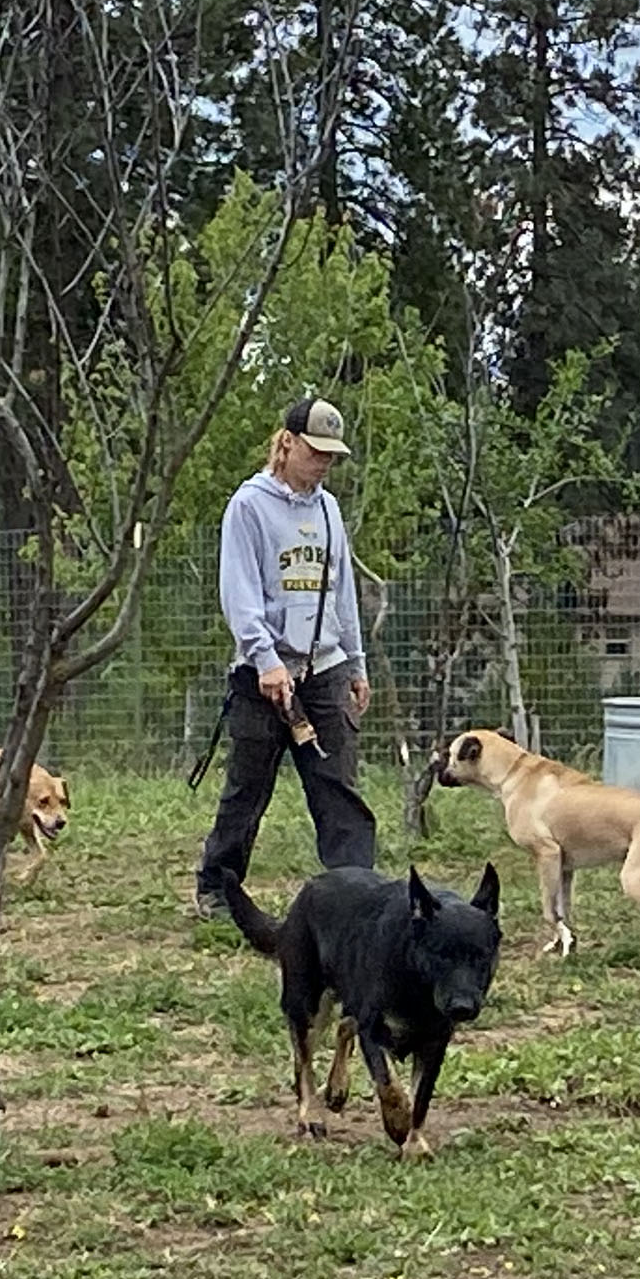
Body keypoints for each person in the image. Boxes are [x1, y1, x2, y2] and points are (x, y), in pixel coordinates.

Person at [193, 395, 380, 921]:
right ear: (288, 443)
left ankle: (356, 893)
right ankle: (217, 887)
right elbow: (239, 593)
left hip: (325, 668)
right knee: (248, 788)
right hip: (263, 672)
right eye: (315, 451)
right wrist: (265, 658)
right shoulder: (249, 506)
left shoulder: (329, 509)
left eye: (331, 456)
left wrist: (356, 662)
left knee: (337, 786)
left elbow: (343, 591)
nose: (323, 463)